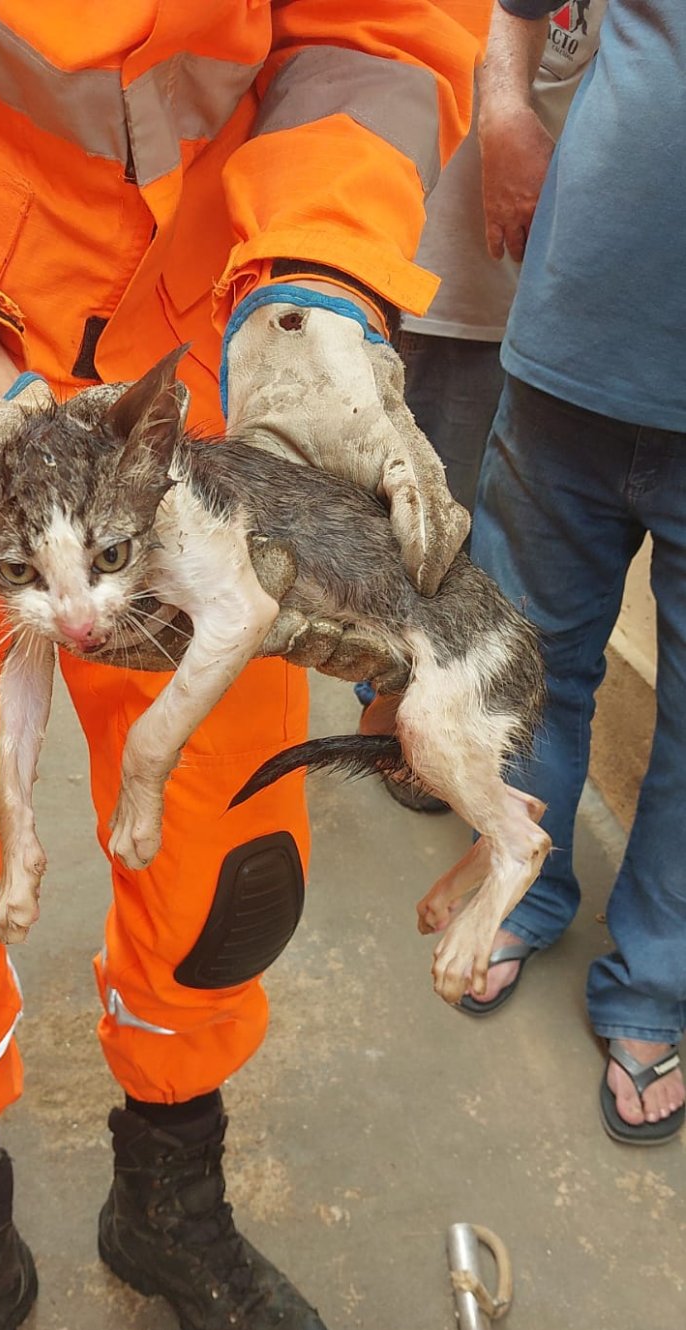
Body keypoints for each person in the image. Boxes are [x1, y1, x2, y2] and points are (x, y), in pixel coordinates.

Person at [0, 1, 485, 1330]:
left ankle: (169, 1191)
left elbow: (378, 28)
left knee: (227, 871)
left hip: (192, 373)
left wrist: (318, 283)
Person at [464, 0, 686, 1146]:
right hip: (574, 351)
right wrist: (504, 107)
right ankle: (520, 883)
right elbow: (511, 14)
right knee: (530, 657)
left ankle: (655, 985)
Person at [358, 0, 604, 813]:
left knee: (459, 525)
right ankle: (385, 699)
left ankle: (416, 708)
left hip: (522, 298)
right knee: (386, 515)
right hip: (404, 260)